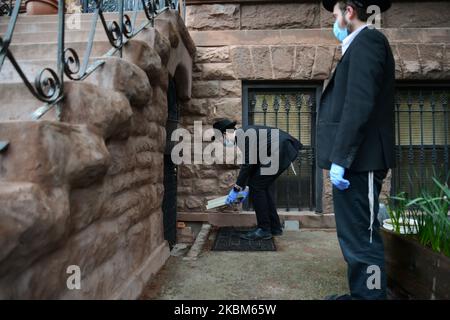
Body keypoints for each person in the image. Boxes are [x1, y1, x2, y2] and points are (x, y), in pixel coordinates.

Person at [318, 0, 395, 300]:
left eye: (335, 14)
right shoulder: (359, 44)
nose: (334, 21)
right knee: (354, 236)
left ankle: (371, 297)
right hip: (357, 161)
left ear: (348, 12)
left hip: (361, 162)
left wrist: (342, 159)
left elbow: (359, 105)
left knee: (364, 238)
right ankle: (363, 294)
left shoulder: (368, 41)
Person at [213, 119, 302, 240]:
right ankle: (274, 227)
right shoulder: (243, 134)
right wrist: (245, 188)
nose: (222, 143)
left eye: (221, 139)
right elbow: (254, 164)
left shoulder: (242, 136)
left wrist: (236, 188)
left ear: (224, 134)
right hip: (279, 151)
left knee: (258, 186)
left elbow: (248, 164)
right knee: (260, 186)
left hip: (281, 150)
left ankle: (264, 229)